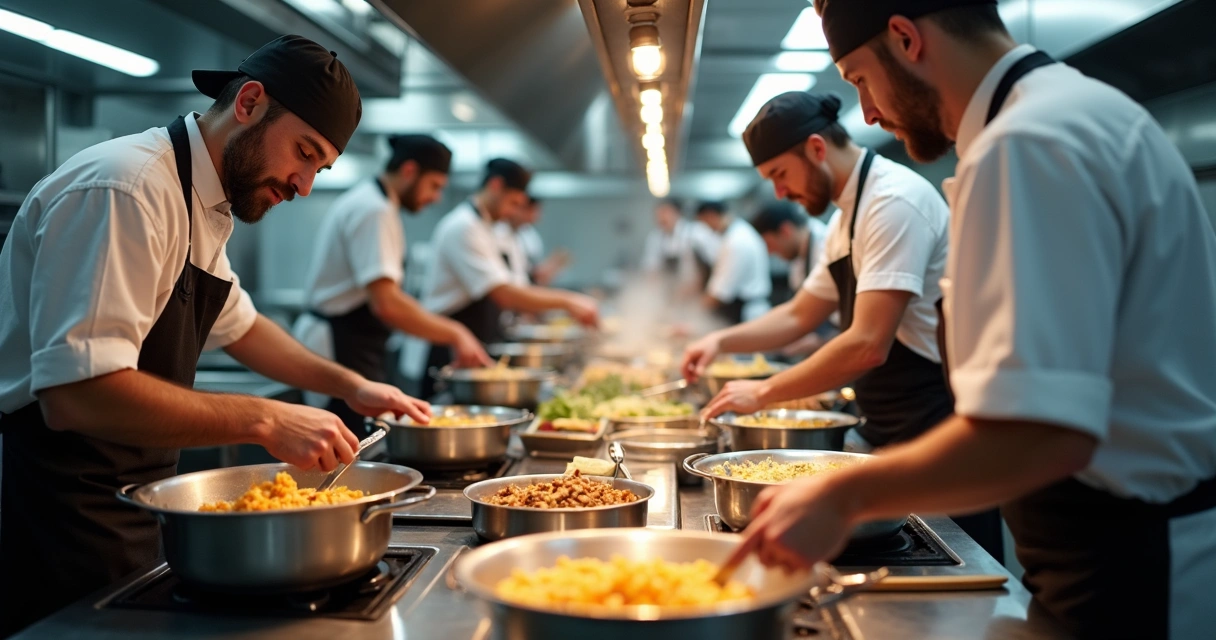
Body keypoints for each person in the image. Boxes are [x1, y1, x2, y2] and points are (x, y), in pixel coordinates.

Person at [732, 2, 1216, 637]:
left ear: (905, 38)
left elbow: (1041, 431)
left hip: (1135, 566)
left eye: (858, 80)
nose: (869, 113)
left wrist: (844, 496)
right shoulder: (1059, 115)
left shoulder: (1028, 143)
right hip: (1106, 548)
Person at [0, 35, 431, 637]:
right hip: (63, 513)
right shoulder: (126, 189)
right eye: (304, 153)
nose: (304, 184)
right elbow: (78, 395)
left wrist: (353, 385)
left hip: (133, 504)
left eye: (320, 167)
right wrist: (266, 420)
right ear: (250, 102)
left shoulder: (201, 201)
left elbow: (242, 326)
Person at [293, 134, 490, 435]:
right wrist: (455, 333)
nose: (436, 197)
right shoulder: (374, 209)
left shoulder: (378, 204)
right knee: (344, 443)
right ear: (410, 171)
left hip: (353, 342)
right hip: (339, 345)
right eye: (434, 186)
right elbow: (387, 303)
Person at [404, 158, 598, 397]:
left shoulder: (488, 228)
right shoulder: (464, 227)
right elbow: (503, 293)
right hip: (446, 347)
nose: (514, 211)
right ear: (495, 185)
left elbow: (515, 286)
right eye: (512, 202)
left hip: (474, 340)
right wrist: (569, 301)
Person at [750, 200, 836, 357]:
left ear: (785, 231)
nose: (769, 253)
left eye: (769, 244)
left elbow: (849, 318)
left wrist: (821, 339)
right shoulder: (798, 256)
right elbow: (798, 309)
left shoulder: (826, 247)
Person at [694, 200, 772, 324]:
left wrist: (693, 318)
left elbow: (720, 292)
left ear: (711, 216)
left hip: (748, 314)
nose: (707, 229)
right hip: (743, 309)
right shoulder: (736, 233)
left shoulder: (737, 241)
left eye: (704, 223)